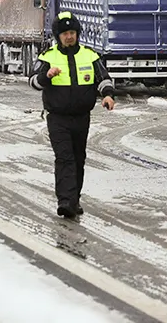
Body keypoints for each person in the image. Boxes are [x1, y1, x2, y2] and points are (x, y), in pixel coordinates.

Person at [29, 11, 116, 218]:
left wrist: (108, 95)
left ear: (77, 33)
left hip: (81, 117)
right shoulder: (48, 57)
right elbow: (33, 82)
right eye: (65, 34)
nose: (69, 37)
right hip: (57, 118)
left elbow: (103, 78)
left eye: (72, 33)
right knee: (64, 157)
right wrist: (46, 76)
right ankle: (65, 201)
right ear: (58, 36)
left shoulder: (90, 56)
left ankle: (74, 200)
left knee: (78, 158)